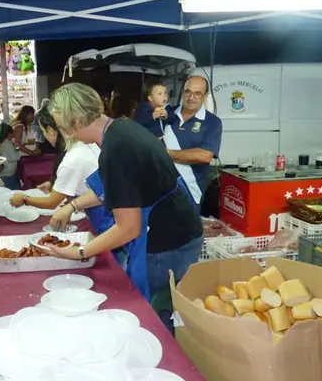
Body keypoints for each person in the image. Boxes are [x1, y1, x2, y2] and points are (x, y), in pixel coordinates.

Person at [46, 83, 203, 303]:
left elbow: (128, 227)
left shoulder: (116, 149)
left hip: (168, 243)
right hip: (182, 229)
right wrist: (72, 206)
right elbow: (114, 187)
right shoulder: (122, 127)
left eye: (65, 128)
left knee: (152, 309)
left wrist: (80, 252)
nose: (68, 134)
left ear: (78, 121)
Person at [9, 109, 100, 210]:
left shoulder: (70, 159)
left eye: (43, 131)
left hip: (98, 210)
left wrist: (24, 199)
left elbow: (51, 203)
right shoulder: (85, 143)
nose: (44, 135)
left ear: (51, 130)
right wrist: (52, 184)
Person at [163, 75, 223, 208]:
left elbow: (204, 156)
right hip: (158, 189)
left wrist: (166, 154)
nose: (191, 98)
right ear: (182, 92)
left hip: (189, 192)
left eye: (197, 94)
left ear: (205, 96)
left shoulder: (212, 122)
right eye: (187, 92)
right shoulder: (165, 114)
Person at [0, 123, 22, 190]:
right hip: (8, 173)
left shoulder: (1, 143)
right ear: (9, 133)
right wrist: (17, 149)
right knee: (16, 190)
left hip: (4, 172)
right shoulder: (7, 144)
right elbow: (14, 157)